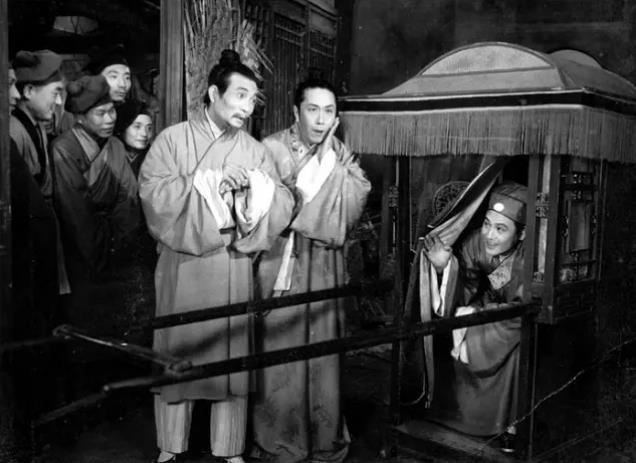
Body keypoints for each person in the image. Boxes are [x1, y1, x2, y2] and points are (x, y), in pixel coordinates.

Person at [139, 49, 294, 463]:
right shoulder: (172, 140)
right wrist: (208, 181)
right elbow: (153, 192)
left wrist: (253, 190)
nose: (247, 107)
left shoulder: (255, 150)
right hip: (184, 262)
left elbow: (281, 201)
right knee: (180, 349)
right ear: (213, 93)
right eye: (240, 95)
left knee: (231, 354)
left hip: (233, 261)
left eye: (252, 99)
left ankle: (229, 447)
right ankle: (171, 445)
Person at [252, 78, 371, 463]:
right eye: (313, 110)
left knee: (323, 351)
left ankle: (323, 438)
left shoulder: (339, 151)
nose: (320, 120)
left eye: (328, 111)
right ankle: (281, 440)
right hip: (283, 261)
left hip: (325, 262)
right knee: (282, 349)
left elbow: (357, 196)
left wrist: (330, 173)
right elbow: (266, 209)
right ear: (296, 111)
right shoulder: (270, 149)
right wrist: (309, 192)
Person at [423, 181, 527, 453]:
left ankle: (508, 426)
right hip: (487, 311)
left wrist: (481, 316)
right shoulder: (475, 243)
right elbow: (464, 289)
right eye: (487, 225)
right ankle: (458, 414)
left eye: (501, 229)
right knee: (456, 323)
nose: (489, 235)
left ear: (522, 234)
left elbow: (522, 309)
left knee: (516, 349)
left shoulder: (528, 258)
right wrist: (444, 268)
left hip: (513, 321)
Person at [50, 74, 139, 325]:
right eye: (101, 113)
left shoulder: (115, 146)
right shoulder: (63, 149)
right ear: (79, 118)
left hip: (117, 250)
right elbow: (76, 215)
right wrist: (101, 251)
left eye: (112, 111)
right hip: (82, 255)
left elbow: (128, 199)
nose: (110, 119)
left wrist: (119, 244)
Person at [11, 49, 71, 297]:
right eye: (55, 93)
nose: (58, 103)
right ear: (28, 91)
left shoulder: (37, 127)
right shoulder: (13, 132)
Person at [114, 99, 154, 176]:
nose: (144, 134)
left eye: (149, 128)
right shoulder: (108, 156)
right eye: (137, 127)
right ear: (123, 128)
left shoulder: (156, 159)